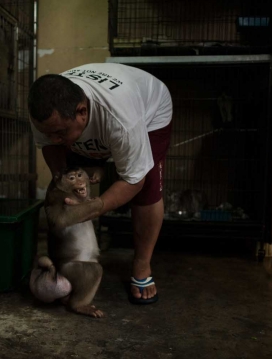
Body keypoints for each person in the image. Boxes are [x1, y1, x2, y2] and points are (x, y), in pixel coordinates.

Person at [28, 63, 172, 305]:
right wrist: (63, 180)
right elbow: (51, 146)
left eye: (60, 132)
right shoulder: (46, 112)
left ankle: (142, 265)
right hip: (101, 123)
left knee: (147, 188)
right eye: (47, 132)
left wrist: (95, 207)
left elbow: (134, 180)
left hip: (150, 112)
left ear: (82, 111)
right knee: (72, 171)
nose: (53, 138)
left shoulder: (122, 119)